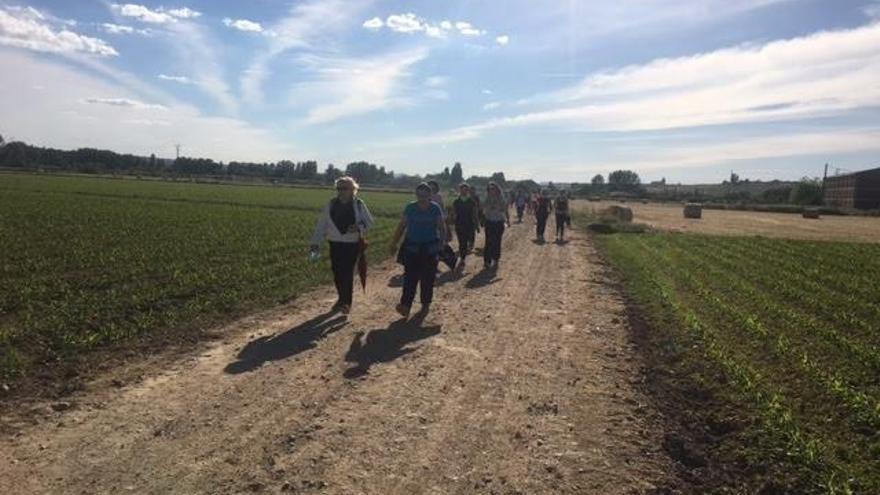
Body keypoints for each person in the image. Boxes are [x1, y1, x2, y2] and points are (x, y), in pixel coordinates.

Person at [310, 176, 374, 315]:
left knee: (346, 272)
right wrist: (315, 243)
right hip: (334, 243)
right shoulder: (331, 204)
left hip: (351, 244)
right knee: (337, 272)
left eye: (344, 188)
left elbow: (369, 222)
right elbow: (322, 224)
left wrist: (358, 227)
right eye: (338, 188)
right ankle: (341, 298)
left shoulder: (358, 204)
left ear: (353, 190)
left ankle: (346, 302)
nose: (341, 191)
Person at [388, 183, 447, 317]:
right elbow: (402, 226)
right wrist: (394, 243)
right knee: (410, 277)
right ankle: (406, 305)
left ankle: (425, 303)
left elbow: (442, 227)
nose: (422, 198)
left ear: (430, 195)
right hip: (412, 247)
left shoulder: (435, 208)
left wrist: (442, 243)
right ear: (416, 195)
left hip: (430, 248)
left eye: (425, 195)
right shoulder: (410, 207)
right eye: (419, 195)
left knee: (428, 277)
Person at [451, 183, 480, 271]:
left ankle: (469, 245)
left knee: (470, 239)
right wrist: (451, 221)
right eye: (462, 189)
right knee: (462, 243)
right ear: (460, 190)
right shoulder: (456, 202)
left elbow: (474, 214)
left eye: (465, 189)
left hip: (469, 224)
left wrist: (477, 225)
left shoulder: (471, 202)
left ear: (468, 191)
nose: (464, 191)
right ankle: (462, 259)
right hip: (459, 224)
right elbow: (453, 213)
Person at [482, 182, 510, 269]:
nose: (491, 190)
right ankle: (487, 261)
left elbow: (505, 209)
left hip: (498, 222)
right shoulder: (487, 198)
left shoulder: (501, 199)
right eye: (490, 189)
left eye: (493, 188)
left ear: (497, 189)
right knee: (488, 242)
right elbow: (482, 207)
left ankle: (496, 259)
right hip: (489, 222)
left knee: (497, 241)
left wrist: (508, 220)